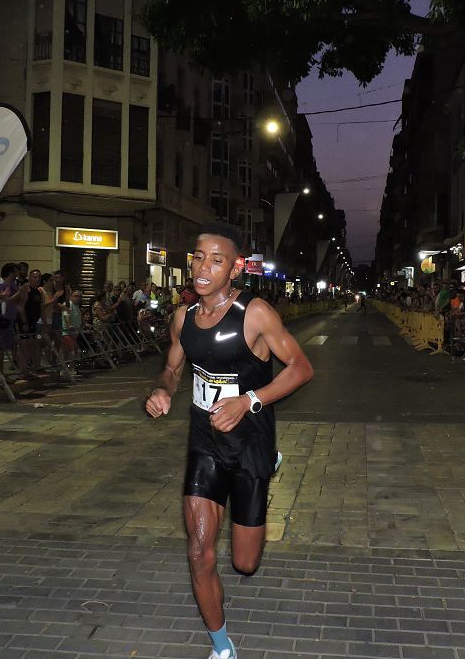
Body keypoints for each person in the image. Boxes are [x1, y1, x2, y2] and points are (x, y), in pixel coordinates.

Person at [145, 222, 314, 659]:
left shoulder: (255, 313)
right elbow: (173, 367)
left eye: (216, 260)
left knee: (245, 563)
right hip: (204, 441)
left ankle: (267, 465)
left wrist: (249, 401)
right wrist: (163, 388)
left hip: (251, 442)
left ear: (234, 269)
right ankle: (221, 646)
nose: (204, 267)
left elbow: (300, 368)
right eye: (199, 257)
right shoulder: (182, 318)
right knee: (200, 551)